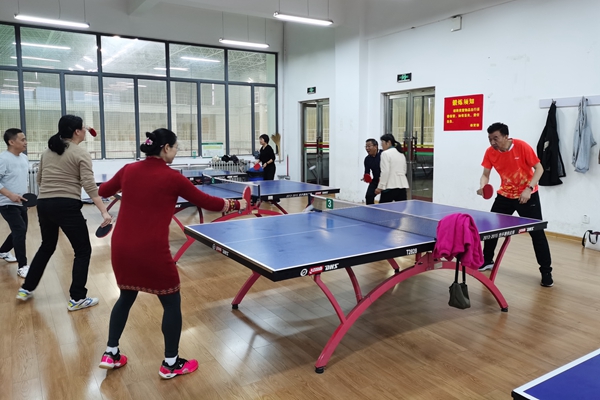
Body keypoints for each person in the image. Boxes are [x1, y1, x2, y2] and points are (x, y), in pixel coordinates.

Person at [96, 128, 247, 379]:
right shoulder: (173, 177)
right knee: (171, 301)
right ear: (166, 148)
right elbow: (207, 202)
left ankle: (110, 353)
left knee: (126, 296)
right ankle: (171, 363)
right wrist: (236, 204)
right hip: (151, 249)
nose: (176, 152)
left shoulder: (128, 170)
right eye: (176, 148)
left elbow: (103, 190)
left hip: (122, 246)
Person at [16, 115, 112, 310]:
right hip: (66, 205)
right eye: (83, 128)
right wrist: (104, 212)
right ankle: (77, 298)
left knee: (47, 246)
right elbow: (89, 186)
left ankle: (26, 288)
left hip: (44, 204)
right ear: (77, 132)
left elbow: (40, 179)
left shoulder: (47, 152)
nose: (85, 131)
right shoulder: (80, 153)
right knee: (83, 250)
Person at [477, 122, 553, 287]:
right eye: (490, 139)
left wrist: (529, 189)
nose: (492, 142)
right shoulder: (490, 152)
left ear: (506, 136)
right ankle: (487, 260)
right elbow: (485, 174)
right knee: (491, 230)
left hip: (527, 195)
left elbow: (539, 169)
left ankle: (546, 271)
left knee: (537, 234)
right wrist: (483, 185)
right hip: (505, 195)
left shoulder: (521, 146)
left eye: (496, 138)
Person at [0, 128, 30, 277]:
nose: (26, 142)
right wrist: (10, 195)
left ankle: (2, 251)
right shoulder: (3, 158)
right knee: (20, 230)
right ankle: (22, 266)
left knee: (21, 230)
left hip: (21, 202)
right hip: (6, 203)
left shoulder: (24, 158)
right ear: (11, 142)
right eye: (22, 139)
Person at [375, 134, 409, 203]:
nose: (381, 145)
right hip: (402, 186)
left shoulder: (385, 153)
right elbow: (404, 170)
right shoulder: (401, 153)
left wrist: (380, 187)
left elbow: (385, 172)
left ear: (388, 142)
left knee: (382, 208)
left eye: (382, 142)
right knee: (401, 208)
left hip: (390, 187)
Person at [363, 138, 381, 205]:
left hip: (386, 181)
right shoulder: (367, 159)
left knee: (385, 200)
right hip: (376, 181)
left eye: (369, 146)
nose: (367, 148)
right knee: (369, 196)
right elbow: (367, 172)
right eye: (366, 146)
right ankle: (370, 211)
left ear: (375, 146)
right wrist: (366, 177)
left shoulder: (383, 155)